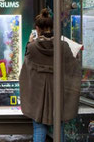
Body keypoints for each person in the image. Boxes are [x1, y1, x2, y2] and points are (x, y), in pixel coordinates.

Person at [19, 8, 81, 142]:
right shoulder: (63, 45)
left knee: (39, 127)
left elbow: (26, 69)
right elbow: (73, 67)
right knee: (59, 125)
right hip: (59, 92)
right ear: (52, 27)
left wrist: (29, 43)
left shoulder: (32, 47)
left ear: (37, 28)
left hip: (38, 94)